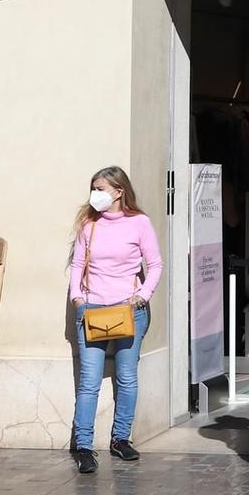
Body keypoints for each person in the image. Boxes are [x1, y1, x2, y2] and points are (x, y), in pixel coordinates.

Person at [66, 166, 163, 475]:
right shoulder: (88, 224)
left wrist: (143, 294)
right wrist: (78, 300)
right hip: (93, 309)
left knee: (127, 377)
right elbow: (77, 264)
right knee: (89, 381)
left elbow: (156, 264)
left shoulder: (140, 223)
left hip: (129, 309)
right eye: (93, 188)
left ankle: (121, 438)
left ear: (119, 192)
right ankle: (83, 445)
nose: (96, 194)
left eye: (101, 188)